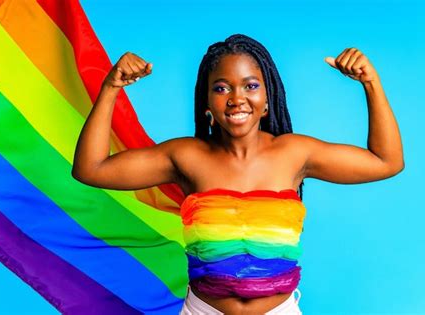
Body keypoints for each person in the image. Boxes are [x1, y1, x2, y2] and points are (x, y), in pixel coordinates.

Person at [72, 34, 404, 314]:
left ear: (266, 100)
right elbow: (91, 169)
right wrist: (111, 88)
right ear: (207, 102)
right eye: (221, 88)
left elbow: (385, 161)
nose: (236, 98)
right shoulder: (185, 156)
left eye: (250, 85)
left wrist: (370, 83)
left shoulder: (294, 153)